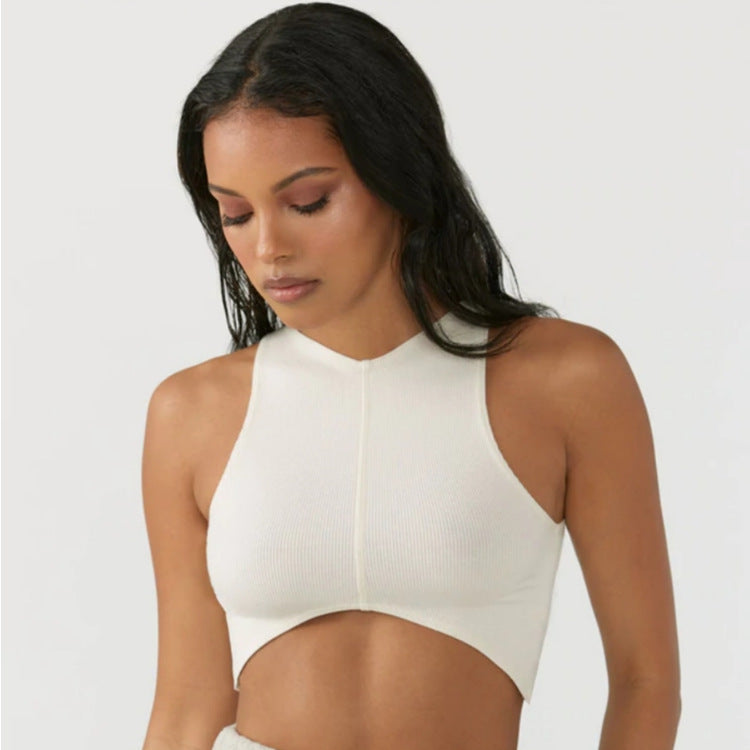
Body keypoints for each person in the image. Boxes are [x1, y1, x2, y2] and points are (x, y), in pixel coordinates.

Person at [140, 3, 681, 750]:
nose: (268, 249)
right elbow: (186, 708)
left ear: (397, 171)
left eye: (307, 202)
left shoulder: (566, 381)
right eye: (235, 214)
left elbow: (647, 681)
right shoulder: (191, 412)